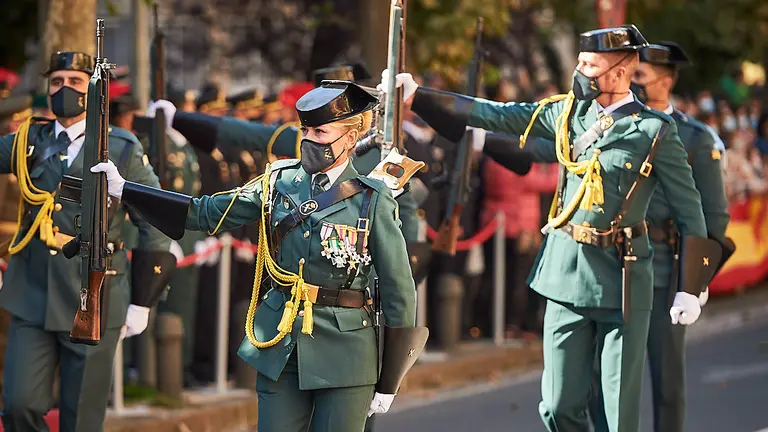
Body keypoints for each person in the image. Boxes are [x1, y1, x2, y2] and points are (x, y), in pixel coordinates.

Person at [381, 25, 724, 432]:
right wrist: (419, 97)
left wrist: (691, 284)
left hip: (624, 278)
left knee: (618, 412)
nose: (579, 70)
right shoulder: (566, 114)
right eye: (579, 61)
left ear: (619, 73)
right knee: (559, 405)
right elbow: (497, 114)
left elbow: (691, 210)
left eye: (589, 64)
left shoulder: (654, 131)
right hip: (565, 271)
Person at [93, 81, 424, 432]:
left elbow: (398, 288)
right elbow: (204, 213)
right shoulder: (276, 182)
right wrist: (127, 189)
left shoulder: (373, 200)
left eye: (321, 131)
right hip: (280, 344)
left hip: (346, 350)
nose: (310, 139)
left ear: (350, 136)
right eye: (306, 129)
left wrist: (390, 379)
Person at [0, 51, 174, 431]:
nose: (65, 89)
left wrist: (144, 299)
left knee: (81, 418)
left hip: (95, 290)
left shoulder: (123, 147)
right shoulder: (29, 140)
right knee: (18, 404)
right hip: (33, 291)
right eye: (57, 81)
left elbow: (153, 220)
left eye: (76, 82)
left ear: (94, 92)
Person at [589, 41, 731, 432]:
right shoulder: (612, 123)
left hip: (664, 270)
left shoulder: (695, 138)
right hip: (611, 265)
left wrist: (696, 278)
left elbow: (713, 218)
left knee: (666, 378)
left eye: (640, 75)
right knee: (607, 379)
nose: (631, 81)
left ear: (665, 82)